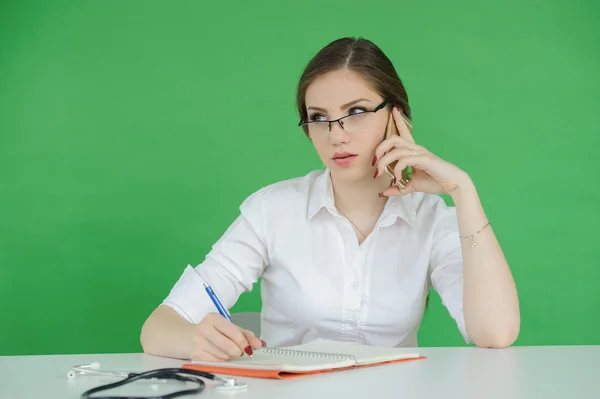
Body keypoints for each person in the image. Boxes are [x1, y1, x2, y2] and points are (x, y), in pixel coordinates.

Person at [140, 37, 520, 361]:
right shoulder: (273, 210)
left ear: (396, 115)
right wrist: (195, 339)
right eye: (318, 117)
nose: (336, 135)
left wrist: (463, 192)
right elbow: (157, 329)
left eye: (355, 112)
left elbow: (496, 332)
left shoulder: (431, 219)